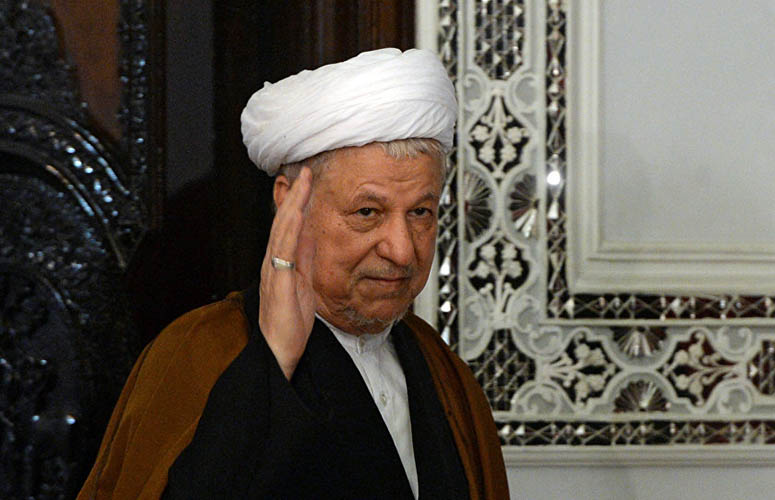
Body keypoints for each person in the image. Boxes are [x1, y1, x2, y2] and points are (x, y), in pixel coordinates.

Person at [78, 48, 509, 499]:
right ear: (291, 204)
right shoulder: (201, 352)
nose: (402, 251)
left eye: (420, 212)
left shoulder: (442, 371)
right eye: (367, 212)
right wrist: (273, 361)